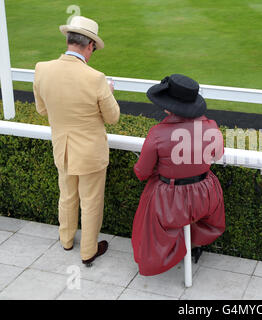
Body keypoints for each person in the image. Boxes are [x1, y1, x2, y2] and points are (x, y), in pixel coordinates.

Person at [33, 16, 120, 266]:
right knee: (91, 202)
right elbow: (112, 118)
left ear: (69, 40)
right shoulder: (96, 79)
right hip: (91, 153)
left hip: (63, 149)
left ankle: (67, 240)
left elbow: (41, 110)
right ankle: (88, 251)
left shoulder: (42, 69)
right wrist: (109, 93)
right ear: (90, 45)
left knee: (67, 196)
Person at [132, 74, 225, 276]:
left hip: (171, 201)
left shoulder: (157, 133)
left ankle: (163, 254)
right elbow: (217, 155)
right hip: (206, 195)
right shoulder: (211, 126)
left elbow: (142, 171)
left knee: (149, 199)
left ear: (168, 107)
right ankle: (194, 243)